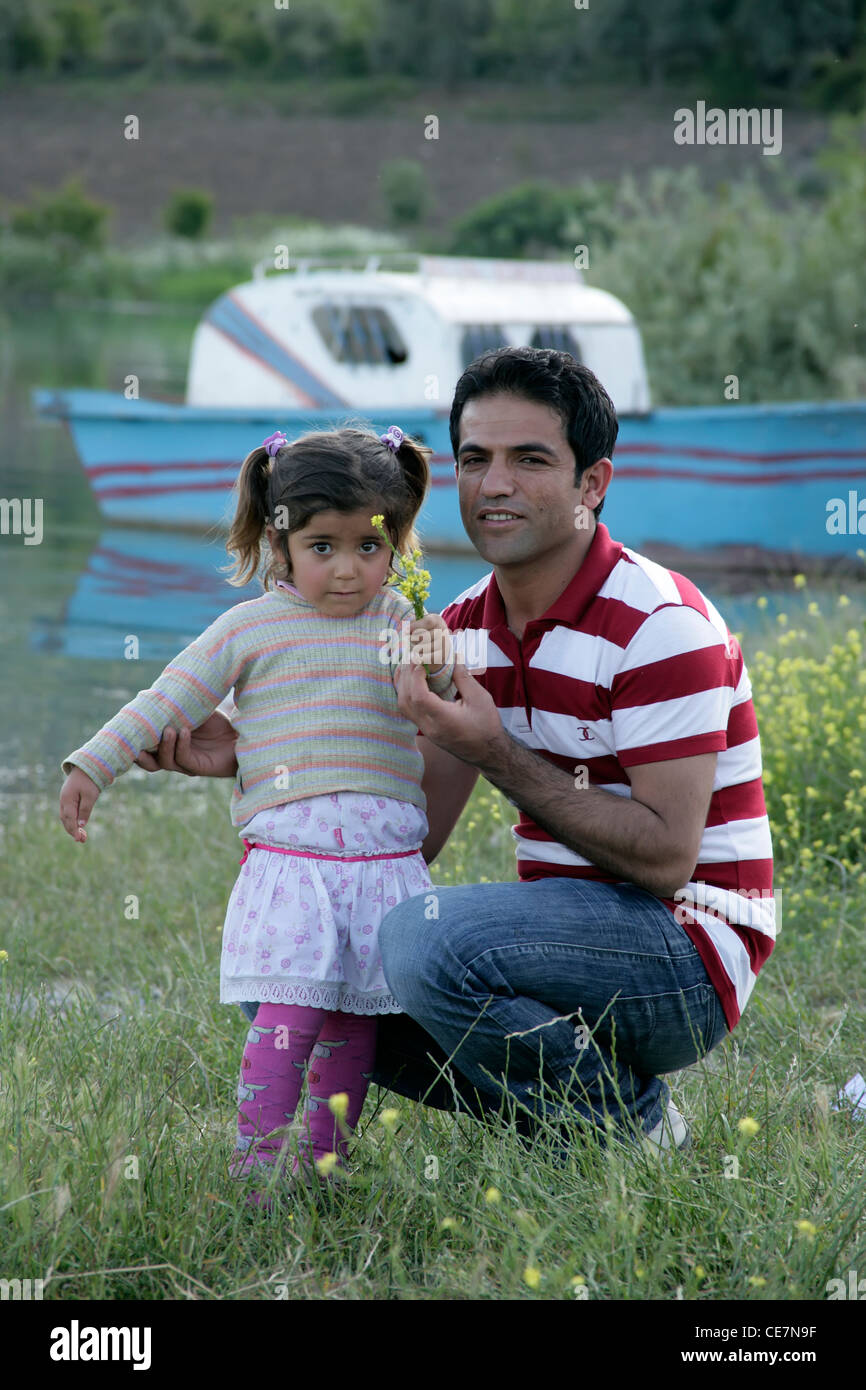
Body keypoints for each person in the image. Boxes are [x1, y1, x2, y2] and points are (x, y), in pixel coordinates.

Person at [139, 347, 776, 1158]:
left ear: (594, 484)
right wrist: (256, 752)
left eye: (530, 460)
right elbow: (412, 835)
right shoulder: (460, 630)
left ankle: (631, 1122)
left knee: (420, 941)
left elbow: (664, 860)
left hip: (686, 952)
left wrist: (496, 751)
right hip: (565, 945)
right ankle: (582, 1117)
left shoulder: (660, 625)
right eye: (475, 459)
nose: (494, 484)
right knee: (299, 966)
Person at [58, 423, 457, 1201]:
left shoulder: (400, 628)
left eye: (370, 547)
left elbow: (451, 708)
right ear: (281, 544)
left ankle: (325, 1170)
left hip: (382, 866)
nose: (348, 569)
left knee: (354, 1029)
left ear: (397, 543)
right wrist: (93, 764)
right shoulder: (249, 627)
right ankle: (254, 1177)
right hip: (293, 865)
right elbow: (166, 698)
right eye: (323, 547)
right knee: (287, 1019)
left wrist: (442, 671)